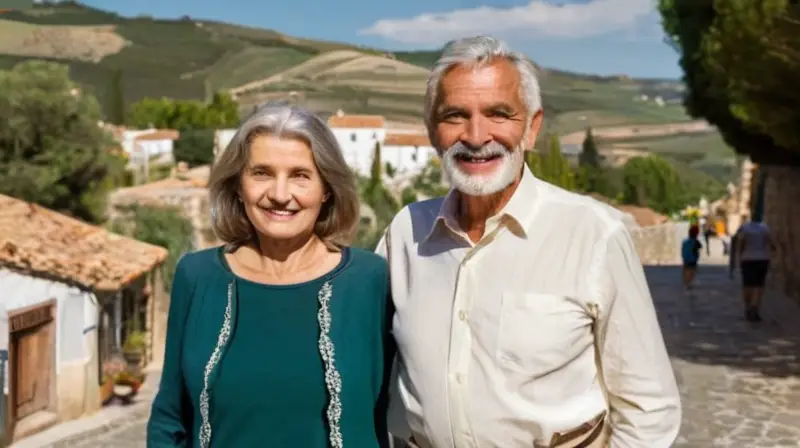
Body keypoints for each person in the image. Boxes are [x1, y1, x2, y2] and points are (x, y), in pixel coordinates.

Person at [377, 36, 681, 448]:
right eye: (455, 116)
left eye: (499, 114)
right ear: (433, 131)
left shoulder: (593, 234)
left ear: (532, 128)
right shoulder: (405, 232)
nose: (477, 135)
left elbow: (649, 407)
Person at [147, 104, 394, 448]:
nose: (279, 194)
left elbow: (396, 410)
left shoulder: (371, 280)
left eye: (300, 175)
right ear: (237, 186)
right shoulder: (197, 276)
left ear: (326, 189)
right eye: (261, 173)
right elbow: (169, 415)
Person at [735, 216, 775, 322]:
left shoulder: (745, 227)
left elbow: (741, 243)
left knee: (747, 285)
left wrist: (740, 256)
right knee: (759, 285)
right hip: (762, 259)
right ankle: (755, 308)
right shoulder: (764, 227)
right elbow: (770, 242)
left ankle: (748, 308)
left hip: (748, 259)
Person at [681, 225, 703, 293]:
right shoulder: (695, 241)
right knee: (692, 271)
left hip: (685, 259)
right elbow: (700, 246)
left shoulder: (685, 241)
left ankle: (686, 283)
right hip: (693, 259)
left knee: (686, 271)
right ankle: (689, 283)